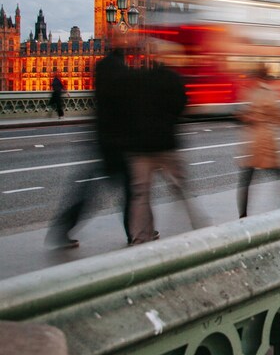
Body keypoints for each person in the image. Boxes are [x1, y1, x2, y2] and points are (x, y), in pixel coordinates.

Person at [47, 45, 133, 248]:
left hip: (102, 136)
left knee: (94, 189)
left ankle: (63, 227)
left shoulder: (103, 66)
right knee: (130, 189)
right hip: (115, 139)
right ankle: (134, 231)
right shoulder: (119, 70)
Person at [125, 43, 205, 244]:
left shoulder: (140, 79)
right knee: (181, 187)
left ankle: (142, 236)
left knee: (141, 194)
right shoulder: (174, 79)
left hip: (141, 146)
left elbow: (130, 108)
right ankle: (199, 226)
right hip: (166, 143)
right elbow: (182, 107)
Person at [237, 65, 280, 217]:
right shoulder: (273, 93)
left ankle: (242, 214)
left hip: (251, 143)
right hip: (268, 142)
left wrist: (248, 117)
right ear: (267, 76)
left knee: (246, 180)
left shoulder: (248, 92)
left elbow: (244, 115)